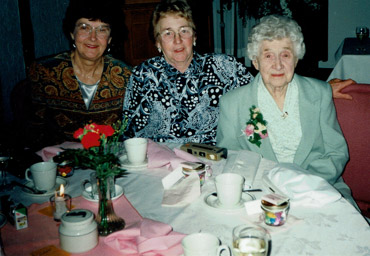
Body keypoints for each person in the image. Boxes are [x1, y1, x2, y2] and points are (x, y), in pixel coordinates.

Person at [216, 15, 357, 207]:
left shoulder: (319, 93)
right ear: (255, 62)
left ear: (296, 59)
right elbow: (230, 160)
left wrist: (303, 184)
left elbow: (336, 152)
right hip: (260, 194)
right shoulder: (232, 103)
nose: (277, 64)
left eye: (285, 54)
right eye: (268, 55)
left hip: (319, 189)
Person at [123, 0, 254, 144]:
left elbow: (256, 106)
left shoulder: (225, 67)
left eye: (184, 31)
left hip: (215, 156)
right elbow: (130, 134)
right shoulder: (142, 75)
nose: (177, 40)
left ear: (194, 37)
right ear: (158, 42)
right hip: (160, 160)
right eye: (168, 33)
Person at [27, 0, 131, 150]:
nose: (93, 37)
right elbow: (33, 132)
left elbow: (129, 134)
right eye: (84, 27)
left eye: (102, 29)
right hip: (59, 165)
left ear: (110, 38)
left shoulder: (125, 75)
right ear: (71, 33)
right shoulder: (45, 72)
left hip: (107, 163)